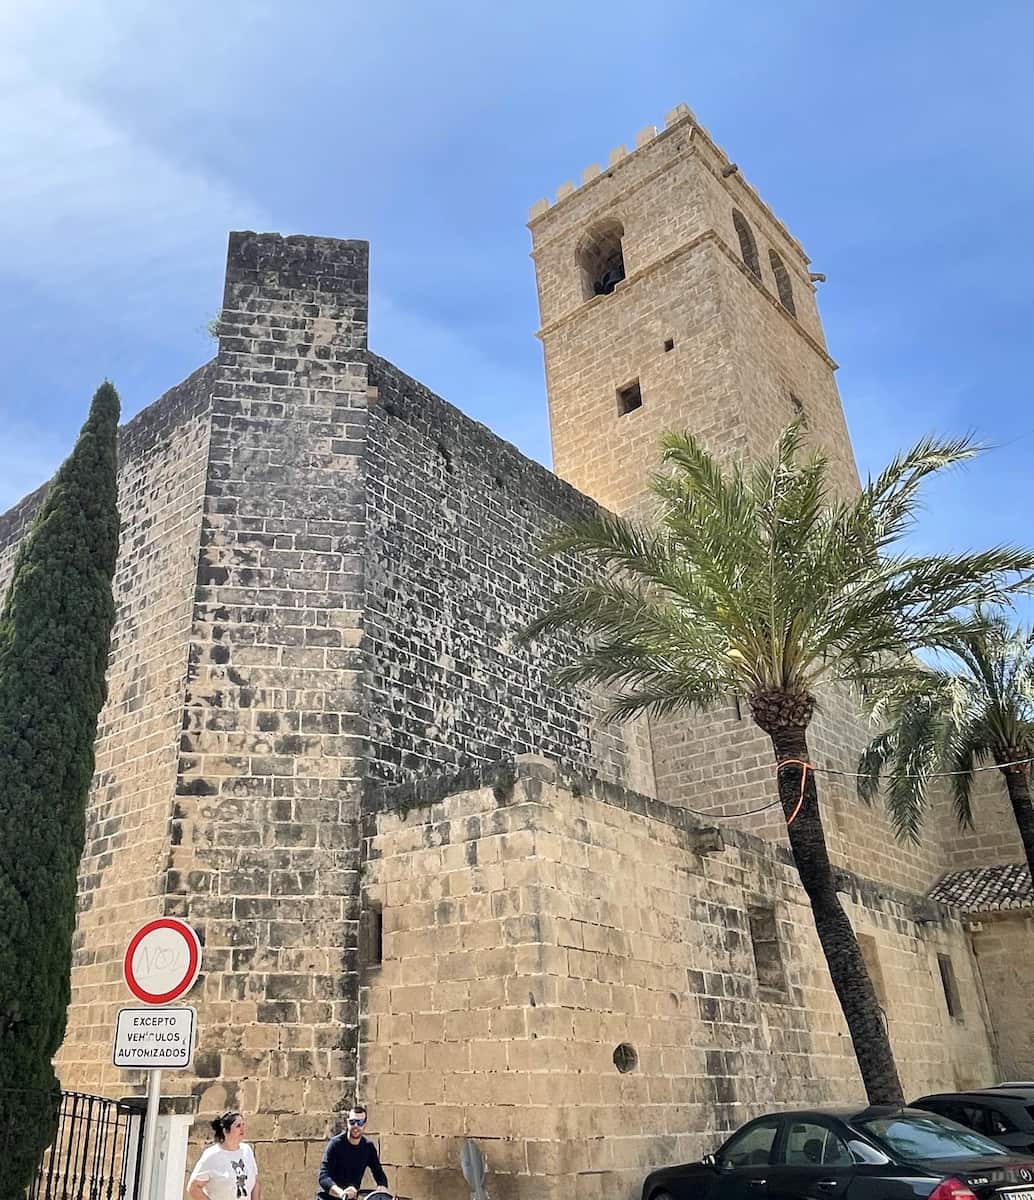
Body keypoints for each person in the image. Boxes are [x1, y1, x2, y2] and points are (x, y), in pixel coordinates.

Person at [317, 1105, 389, 1199]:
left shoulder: (368, 1147)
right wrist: (341, 1193)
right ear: (347, 1123)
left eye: (360, 1122)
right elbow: (323, 1177)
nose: (356, 1126)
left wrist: (382, 1187)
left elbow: (378, 1173)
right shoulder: (335, 1144)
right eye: (352, 1122)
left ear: (365, 1124)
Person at [188, 1111, 261, 1200]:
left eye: (243, 1125)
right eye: (238, 1126)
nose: (242, 1129)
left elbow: (255, 1182)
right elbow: (193, 1187)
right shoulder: (212, 1155)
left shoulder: (247, 1151)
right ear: (225, 1131)